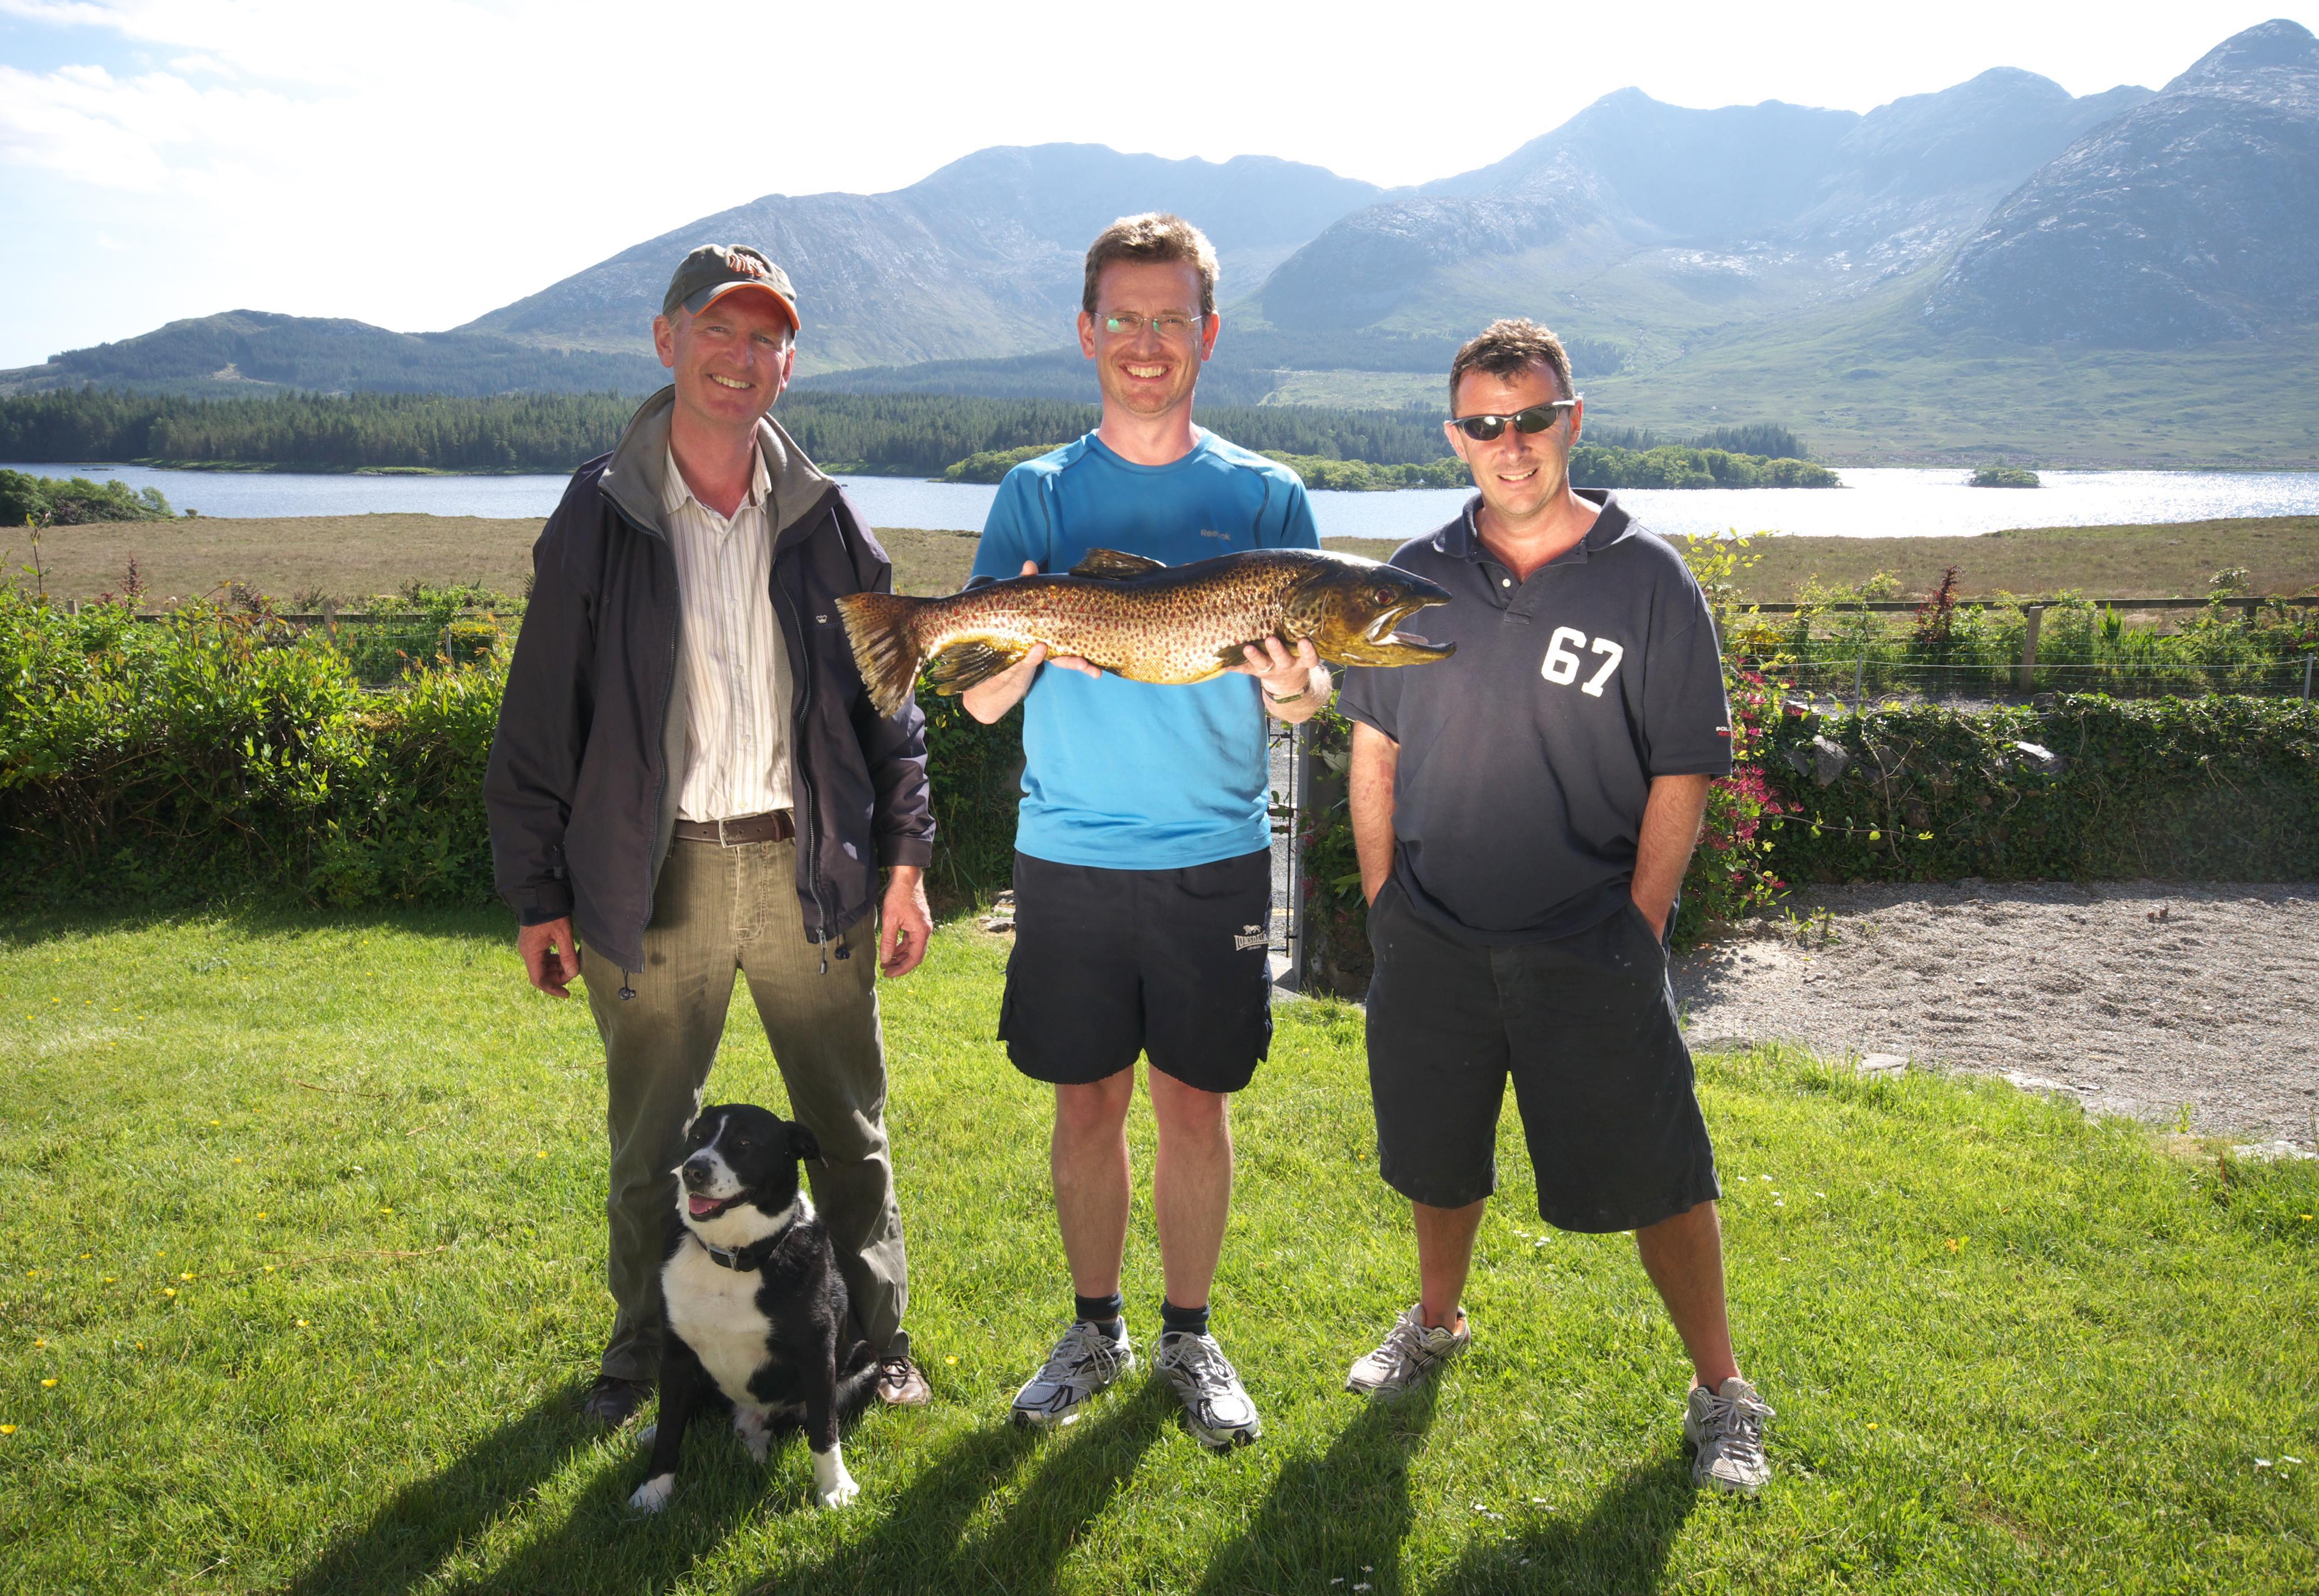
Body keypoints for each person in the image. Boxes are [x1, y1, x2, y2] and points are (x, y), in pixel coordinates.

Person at [484, 244, 938, 1428]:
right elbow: (539, 723)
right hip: (653, 874)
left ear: (789, 360)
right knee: (649, 1145)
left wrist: (905, 863)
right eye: (719, 332)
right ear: (666, 338)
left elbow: (890, 707)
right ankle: (639, 1352)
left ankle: (875, 1341)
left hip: (810, 870)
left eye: (766, 339)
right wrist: (539, 894)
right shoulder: (599, 514)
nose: (742, 361)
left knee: (846, 1135)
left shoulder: (829, 518)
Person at [1334, 318, 1774, 1492]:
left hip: (1589, 936)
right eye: (1485, 423)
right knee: (1437, 1152)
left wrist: (1640, 920)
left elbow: (1684, 767)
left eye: (1531, 418)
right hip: (1432, 927)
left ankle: (1722, 1387)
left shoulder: (1649, 581)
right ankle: (1436, 1319)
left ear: (1572, 419)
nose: (1511, 444)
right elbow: (1372, 743)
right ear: (1456, 436)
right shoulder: (1412, 576)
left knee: (1659, 1166)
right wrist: (1385, 899)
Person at [961, 213, 1329, 1450]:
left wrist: (1300, 688)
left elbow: (1295, 694)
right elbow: (975, 695)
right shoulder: (1037, 495)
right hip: (1067, 851)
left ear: (1208, 335)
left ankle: (1189, 1333)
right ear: (1086, 332)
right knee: (1083, 1107)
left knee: (1194, 1105)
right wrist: (1034, 638)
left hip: (1215, 856)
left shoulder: (1265, 493)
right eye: (1123, 318)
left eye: (1171, 318)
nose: (1146, 342)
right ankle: (1092, 1326)